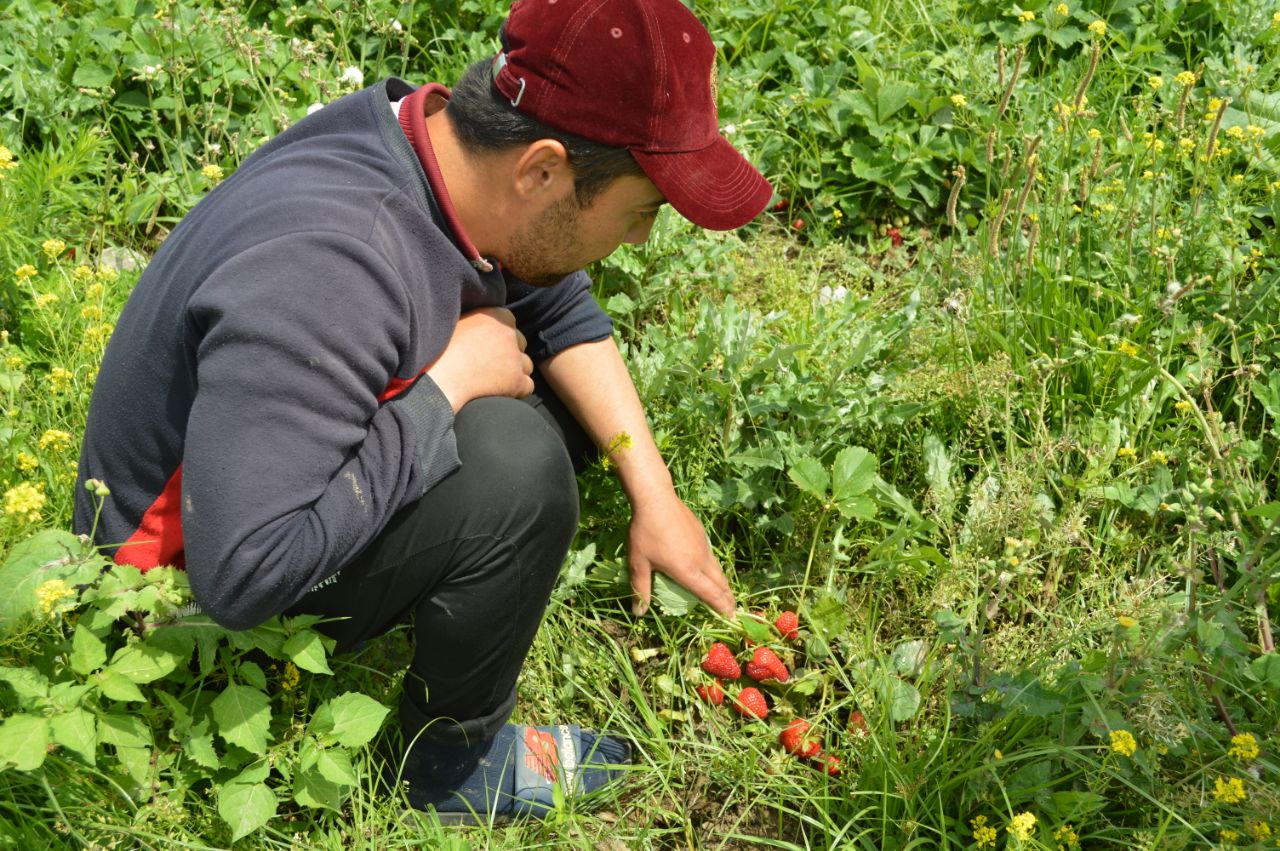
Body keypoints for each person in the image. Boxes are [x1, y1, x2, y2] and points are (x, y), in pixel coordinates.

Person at [74, 0, 771, 823]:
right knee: (518, 462)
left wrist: (654, 493)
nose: (644, 239)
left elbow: (559, 308)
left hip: (251, 504)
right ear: (542, 171)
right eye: (642, 210)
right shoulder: (337, 265)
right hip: (171, 604)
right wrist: (445, 389)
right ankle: (449, 769)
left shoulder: (433, 145)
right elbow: (243, 575)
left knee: (539, 380)